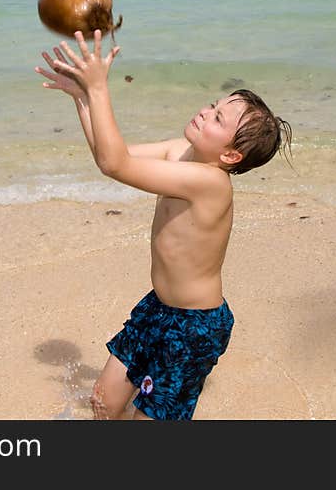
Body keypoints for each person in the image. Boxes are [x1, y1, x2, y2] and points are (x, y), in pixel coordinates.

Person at [35, 29, 292, 420]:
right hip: (159, 308)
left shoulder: (210, 183)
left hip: (194, 329)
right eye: (212, 105)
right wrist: (82, 98)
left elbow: (114, 164)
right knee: (104, 402)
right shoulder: (181, 150)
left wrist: (100, 88)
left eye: (218, 117)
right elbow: (112, 156)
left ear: (230, 154)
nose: (206, 111)